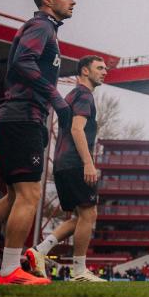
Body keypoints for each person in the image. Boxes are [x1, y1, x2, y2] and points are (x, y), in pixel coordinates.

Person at [0, 0, 75, 285]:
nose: (73, 1)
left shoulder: (46, 29)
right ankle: (8, 271)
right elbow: (23, 62)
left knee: (12, 196)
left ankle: (8, 268)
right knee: (30, 195)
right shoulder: (41, 26)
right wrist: (55, 96)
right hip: (23, 116)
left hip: (15, 116)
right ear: (48, 0)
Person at [25, 55, 108, 282]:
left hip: (61, 164)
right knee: (89, 213)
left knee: (83, 216)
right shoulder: (83, 94)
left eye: (105, 68)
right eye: (99, 68)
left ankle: (38, 250)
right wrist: (88, 163)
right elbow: (77, 129)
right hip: (75, 163)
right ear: (84, 71)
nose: (104, 71)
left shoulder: (70, 95)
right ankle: (80, 272)